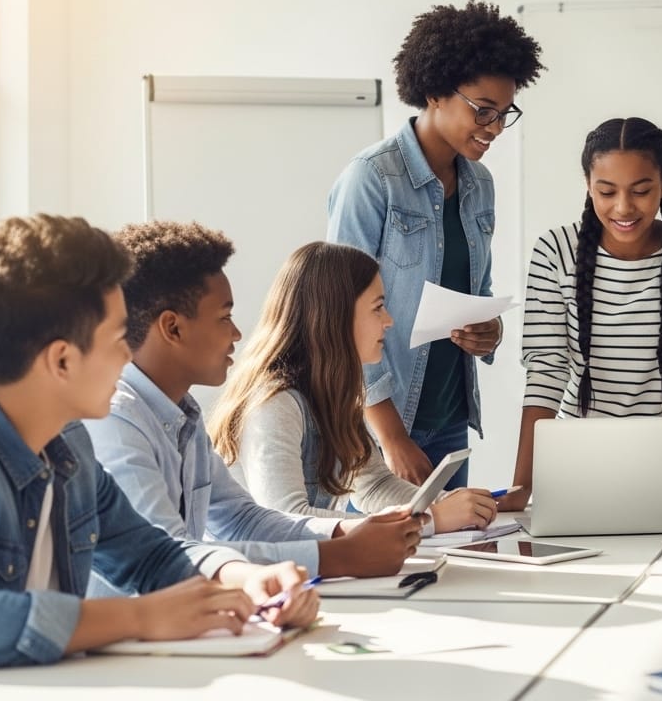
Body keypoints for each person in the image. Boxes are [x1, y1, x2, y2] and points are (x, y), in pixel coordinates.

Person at [0, 215, 317, 677]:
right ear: (62, 360)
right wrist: (138, 618)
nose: (127, 354)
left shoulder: (69, 446)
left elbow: (150, 556)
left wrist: (245, 580)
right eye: (119, 338)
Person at [85, 221, 423, 590]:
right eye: (224, 318)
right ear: (173, 328)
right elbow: (165, 558)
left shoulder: (183, 416)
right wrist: (341, 555)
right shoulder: (116, 421)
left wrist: (349, 532)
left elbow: (243, 519)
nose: (236, 334)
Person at [327, 0, 545, 490]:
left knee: (456, 539)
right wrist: (390, 435)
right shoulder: (372, 179)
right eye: (482, 110)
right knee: (387, 539)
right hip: (380, 424)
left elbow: (476, 290)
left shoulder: (480, 185)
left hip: (449, 417)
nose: (494, 128)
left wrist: (489, 331)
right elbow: (339, 314)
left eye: (504, 114)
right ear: (434, 92)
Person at [497, 117, 662, 515]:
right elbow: (546, 371)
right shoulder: (555, 250)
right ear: (587, 185)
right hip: (573, 468)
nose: (624, 207)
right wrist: (522, 487)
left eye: (641, 191)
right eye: (606, 191)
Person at [209, 242, 497, 533]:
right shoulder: (275, 403)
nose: (389, 321)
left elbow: (375, 486)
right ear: (336, 315)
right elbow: (286, 519)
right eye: (378, 307)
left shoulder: (334, 394)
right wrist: (431, 519)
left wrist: (451, 503)